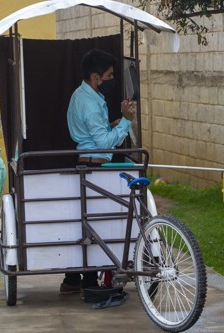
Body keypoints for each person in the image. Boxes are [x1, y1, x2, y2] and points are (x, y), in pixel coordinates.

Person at [61, 49, 136, 295]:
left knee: (85, 219)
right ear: (96, 76)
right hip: (94, 166)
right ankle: (89, 283)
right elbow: (104, 143)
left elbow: (95, 134)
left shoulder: (83, 95)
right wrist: (125, 121)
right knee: (95, 224)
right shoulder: (89, 102)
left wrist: (112, 123)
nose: (111, 80)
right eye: (109, 75)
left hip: (89, 163)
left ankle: (73, 280)